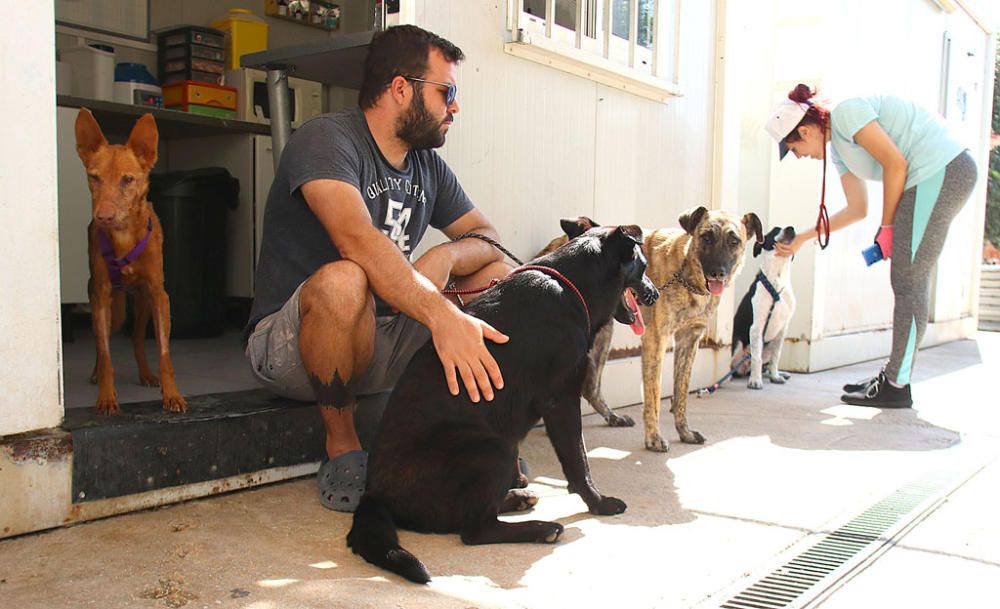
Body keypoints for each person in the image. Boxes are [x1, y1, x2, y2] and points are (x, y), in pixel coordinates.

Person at [244, 25, 512, 512]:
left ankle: (475, 435)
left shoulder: (427, 166)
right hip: (294, 350)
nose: (455, 107)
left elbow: (490, 239)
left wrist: (446, 255)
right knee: (346, 277)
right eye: (447, 92)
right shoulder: (325, 139)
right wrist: (442, 316)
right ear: (401, 88)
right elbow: (357, 241)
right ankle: (343, 447)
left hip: (379, 338)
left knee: (493, 276)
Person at [764, 84, 978, 409]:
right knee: (909, 277)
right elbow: (857, 209)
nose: (799, 156)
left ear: (805, 130)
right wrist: (802, 239)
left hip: (942, 169)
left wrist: (888, 227)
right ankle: (895, 377)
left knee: (908, 279)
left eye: (794, 148)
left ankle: (896, 383)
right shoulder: (838, 151)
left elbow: (896, 164)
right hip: (931, 175)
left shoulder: (847, 113)